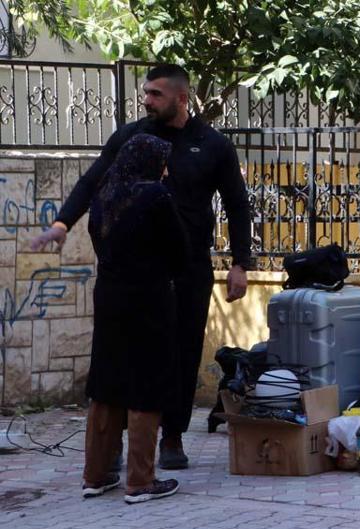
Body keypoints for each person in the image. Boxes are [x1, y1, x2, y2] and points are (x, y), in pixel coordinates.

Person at [31, 64, 252, 470]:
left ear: (181, 98)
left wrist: (241, 263)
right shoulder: (131, 138)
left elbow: (237, 204)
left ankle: (172, 437)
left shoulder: (212, 144)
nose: (146, 100)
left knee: (182, 350)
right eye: (145, 92)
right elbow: (91, 182)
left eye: (155, 94)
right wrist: (62, 223)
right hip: (136, 272)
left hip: (188, 268)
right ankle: (115, 446)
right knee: (123, 356)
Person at [79, 133, 185, 503]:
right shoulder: (155, 196)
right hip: (148, 299)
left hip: (109, 296)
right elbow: (179, 250)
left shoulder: (104, 195)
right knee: (146, 383)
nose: (166, 170)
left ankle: (95, 476)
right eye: (163, 162)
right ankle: (140, 481)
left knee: (105, 383)